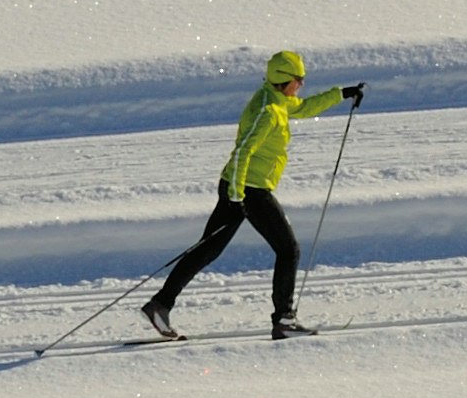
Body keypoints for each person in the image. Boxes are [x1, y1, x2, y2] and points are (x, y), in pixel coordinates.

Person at [140, 51, 363, 342]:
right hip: (249, 189)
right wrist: (237, 194)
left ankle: (160, 305)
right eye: (299, 80)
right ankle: (284, 319)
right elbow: (243, 150)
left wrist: (341, 94)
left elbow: (304, 107)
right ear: (285, 81)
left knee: (207, 250)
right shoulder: (267, 111)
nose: (302, 85)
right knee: (288, 249)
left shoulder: (278, 101)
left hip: (240, 187)